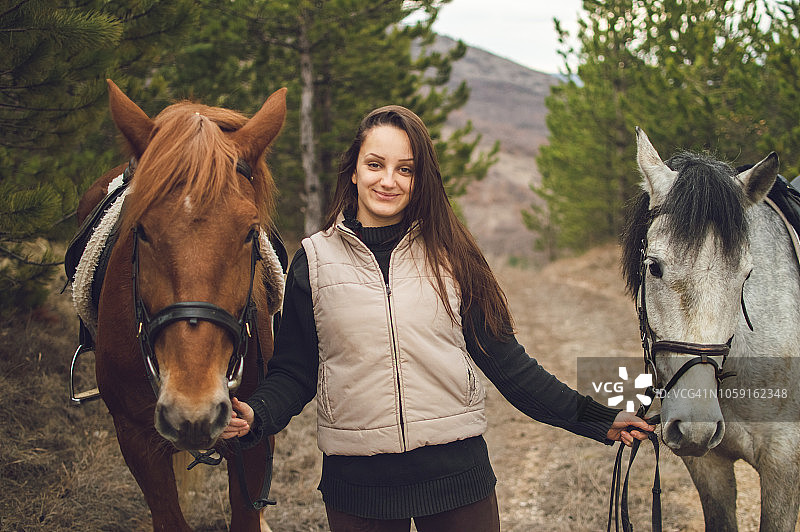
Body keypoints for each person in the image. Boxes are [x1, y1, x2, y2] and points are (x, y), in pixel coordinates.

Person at [223, 105, 654, 532]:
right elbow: (294, 373)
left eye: (405, 170)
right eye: (375, 164)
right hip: (358, 489)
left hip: (458, 482)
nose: (388, 181)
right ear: (353, 170)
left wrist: (599, 419)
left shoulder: (454, 255)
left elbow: (509, 366)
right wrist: (256, 414)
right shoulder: (313, 263)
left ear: (420, 179)